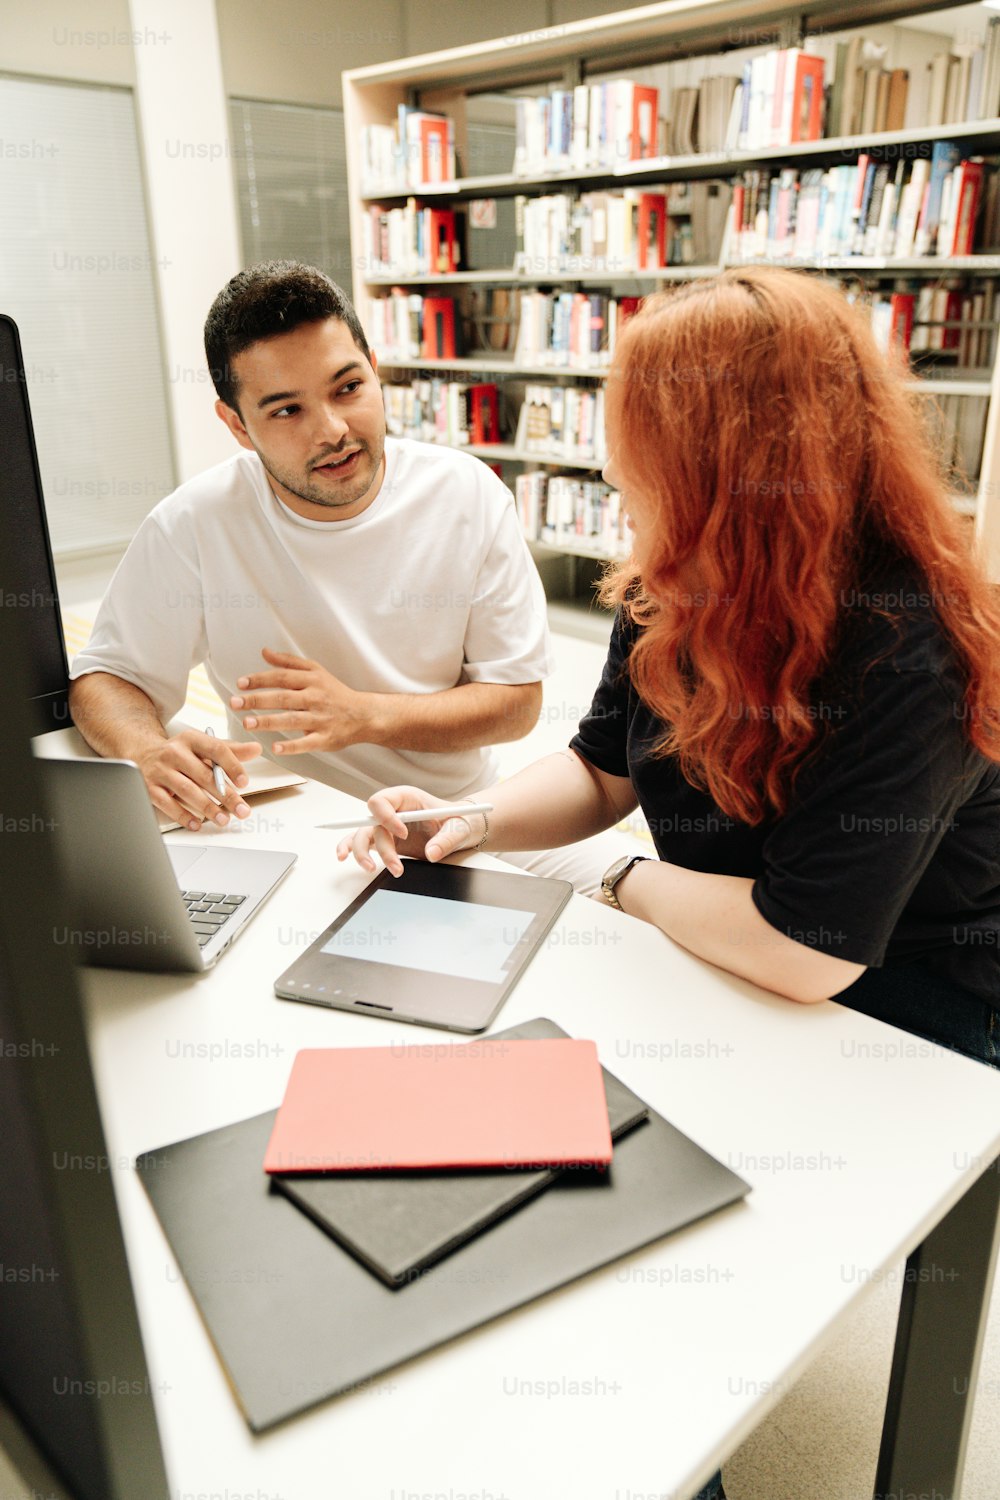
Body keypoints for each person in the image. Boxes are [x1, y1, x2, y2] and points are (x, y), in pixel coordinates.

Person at [341, 265, 1000, 1498]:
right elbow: (598, 770)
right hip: (723, 941)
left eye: (639, 447)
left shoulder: (916, 640)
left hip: (904, 1002)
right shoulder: (685, 577)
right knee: (514, 1131)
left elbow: (809, 950)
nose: (612, 476)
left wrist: (619, 885)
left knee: (621, 1229)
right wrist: (473, 820)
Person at [68, 261, 553, 831]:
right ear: (238, 426)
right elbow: (105, 679)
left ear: (375, 372)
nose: (332, 430)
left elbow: (517, 703)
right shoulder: (195, 522)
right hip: (287, 819)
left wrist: (364, 715)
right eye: (287, 410)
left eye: (348, 388)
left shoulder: (468, 494)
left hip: (453, 816)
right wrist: (147, 752)